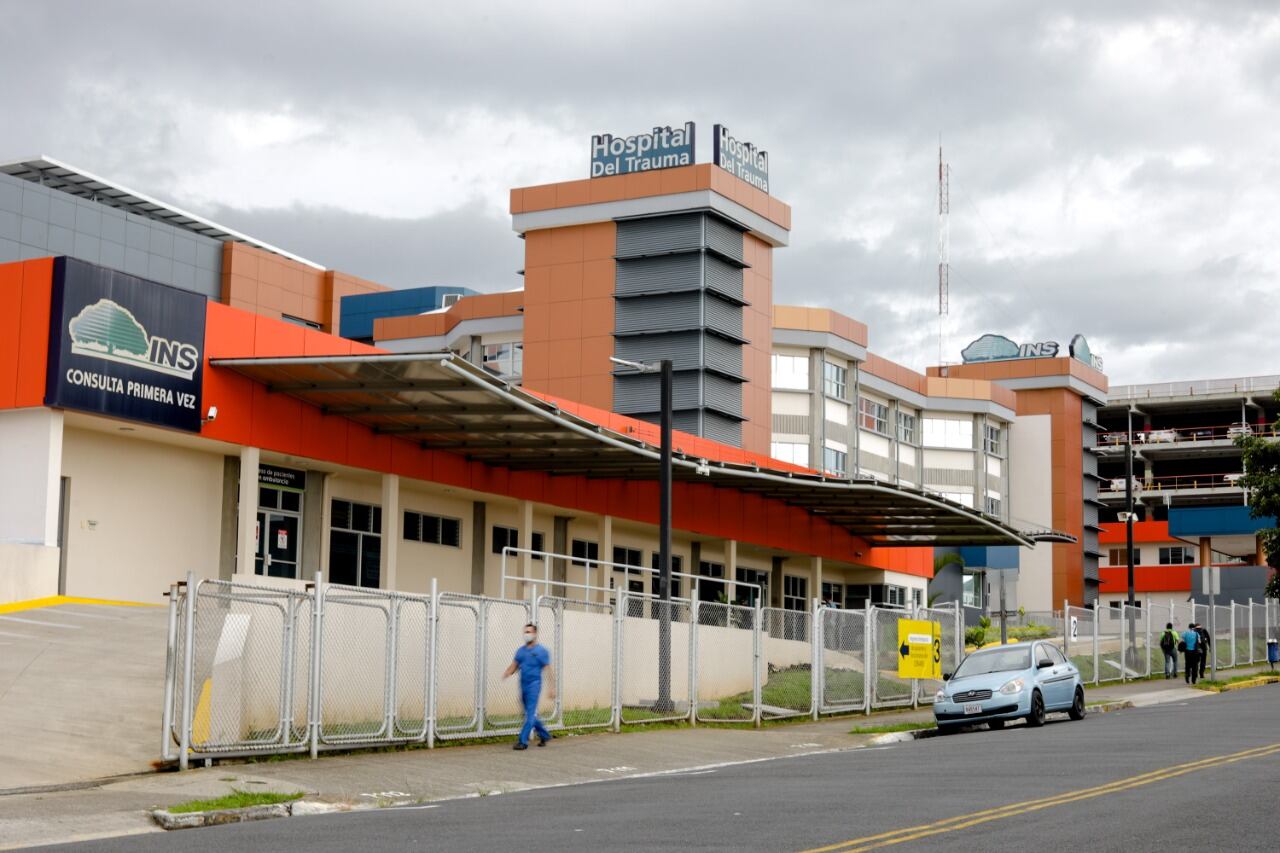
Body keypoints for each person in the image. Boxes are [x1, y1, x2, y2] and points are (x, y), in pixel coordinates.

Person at [502, 622, 556, 750]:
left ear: (535, 634)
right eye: (525, 632)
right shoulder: (521, 651)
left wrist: (552, 688)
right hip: (523, 685)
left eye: (529, 632)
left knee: (530, 714)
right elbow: (514, 665)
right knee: (528, 714)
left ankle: (523, 741)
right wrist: (507, 672)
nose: (527, 634)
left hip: (534, 685)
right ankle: (544, 734)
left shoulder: (541, 651)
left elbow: (549, 669)